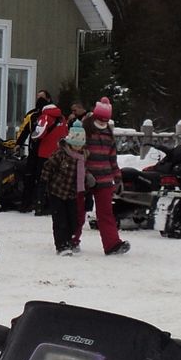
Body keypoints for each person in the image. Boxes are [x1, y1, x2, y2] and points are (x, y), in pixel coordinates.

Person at [75, 96, 129, 255]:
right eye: (100, 120)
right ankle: (72, 240)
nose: (103, 124)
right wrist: (85, 174)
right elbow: (78, 154)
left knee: (106, 214)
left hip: (105, 180)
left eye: (106, 121)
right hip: (85, 179)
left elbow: (112, 158)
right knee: (78, 212)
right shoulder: (84, 130)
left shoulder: (108, 133)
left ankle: (112, 244)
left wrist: (118, 178)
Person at [40, 120, 87, 254]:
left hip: (72, 193)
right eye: (75, 145)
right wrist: (43, 185)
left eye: (80, 146)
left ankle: (69, 241)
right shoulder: (61, 154)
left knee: (73, 220)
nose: (77, 148)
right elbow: (48, 168)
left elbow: (84, 175)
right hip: (57, 191)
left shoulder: (82, 157)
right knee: (60, 220)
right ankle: (61, 245)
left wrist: (87, 186)